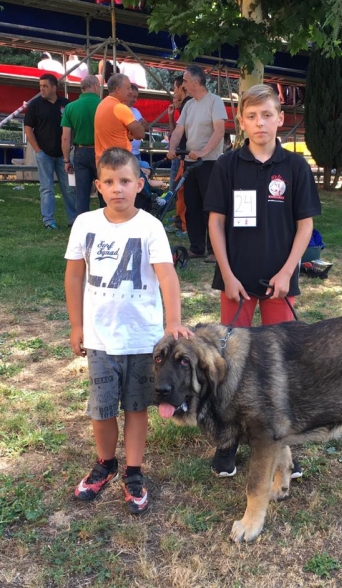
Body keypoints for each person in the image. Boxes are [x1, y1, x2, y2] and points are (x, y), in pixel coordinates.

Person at [65, 147, 191, 514]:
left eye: (124, 181)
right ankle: (105, 464)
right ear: (98, 186)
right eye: (108, 181)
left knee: (136, 408)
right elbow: (74, 275)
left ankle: (134, 473)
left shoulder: (150, 226)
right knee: (102, 410)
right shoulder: (85, 224)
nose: (117, 188)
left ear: (139, 184)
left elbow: (167, 275)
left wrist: (172, 322)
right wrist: (77, 325)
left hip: (142, 341)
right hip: (101, 340)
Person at [204, 84, 321, 477]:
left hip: (280, 283)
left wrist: (288, 271)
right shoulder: (227, 166)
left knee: (284, 363)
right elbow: (215, 223)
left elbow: (305, 226)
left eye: (267, 115)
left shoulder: (295, 167)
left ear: (280, 118)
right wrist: (227, 274)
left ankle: (284, 447)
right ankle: (227, 443)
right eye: (251, 116)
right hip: (235, 282)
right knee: (229, 362)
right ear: (241, 120)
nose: (260, 123)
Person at [167, 65, 227, 263]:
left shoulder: (214, 102)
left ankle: (214, 250)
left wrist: (203, 151)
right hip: (190, 163)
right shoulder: (189, 105)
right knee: (191, 205)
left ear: (194, 81)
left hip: (210, 163)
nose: (182, 85)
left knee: (211, 207)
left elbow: (219, 132)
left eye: (184, 81)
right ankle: (197, 247)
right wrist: (172, 147)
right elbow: (178, 130)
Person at [24, 73, 77, 229]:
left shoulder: (66, 104)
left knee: (69, 188)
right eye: (40, 86)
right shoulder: (35, 105)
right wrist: (38, 150)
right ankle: (48, 220)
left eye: (45, 86)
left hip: (64, 155)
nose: (42, 89)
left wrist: (71, 146)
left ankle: (73, 220)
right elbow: (28, 129)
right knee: (46, 188)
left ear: (55, 87)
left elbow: (72, 128)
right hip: (44, 154)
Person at [61, 74, 104, 215]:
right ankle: (108, 224)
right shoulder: (104, 105)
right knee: (105, 192)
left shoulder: (70, 107)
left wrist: (67, 160)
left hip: (80, 152)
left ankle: (81, 227)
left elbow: (66, 138)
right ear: (95, 86)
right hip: (102, 153)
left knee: (82, 195)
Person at [94, 73, 145, 164]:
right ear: (118, 89)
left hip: (103, 161)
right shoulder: (120, 107)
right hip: (119, 162)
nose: (130, 92)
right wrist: (131, 132)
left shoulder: (101, 104)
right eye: (128, 88)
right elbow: (140, 134)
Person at [165, 75, 192, 235]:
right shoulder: (184, 107)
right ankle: (179, 220)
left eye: (175, 88)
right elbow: (175, 133)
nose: (174, 92)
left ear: (182, 87)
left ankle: (183, 224)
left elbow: (181, 133)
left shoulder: (188, 105)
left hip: (187, 155)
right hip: (182, 154)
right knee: (179, 189)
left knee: (182, 190)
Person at [128, 83, 150, 163]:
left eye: (136, 97)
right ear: (128, 94)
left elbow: (147, 126)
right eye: (134, 97)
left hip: (136, 154)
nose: (135, 100)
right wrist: (137, 126)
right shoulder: (120, 109)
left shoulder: (136, 111)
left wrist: (135, 126)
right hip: (125, 154)